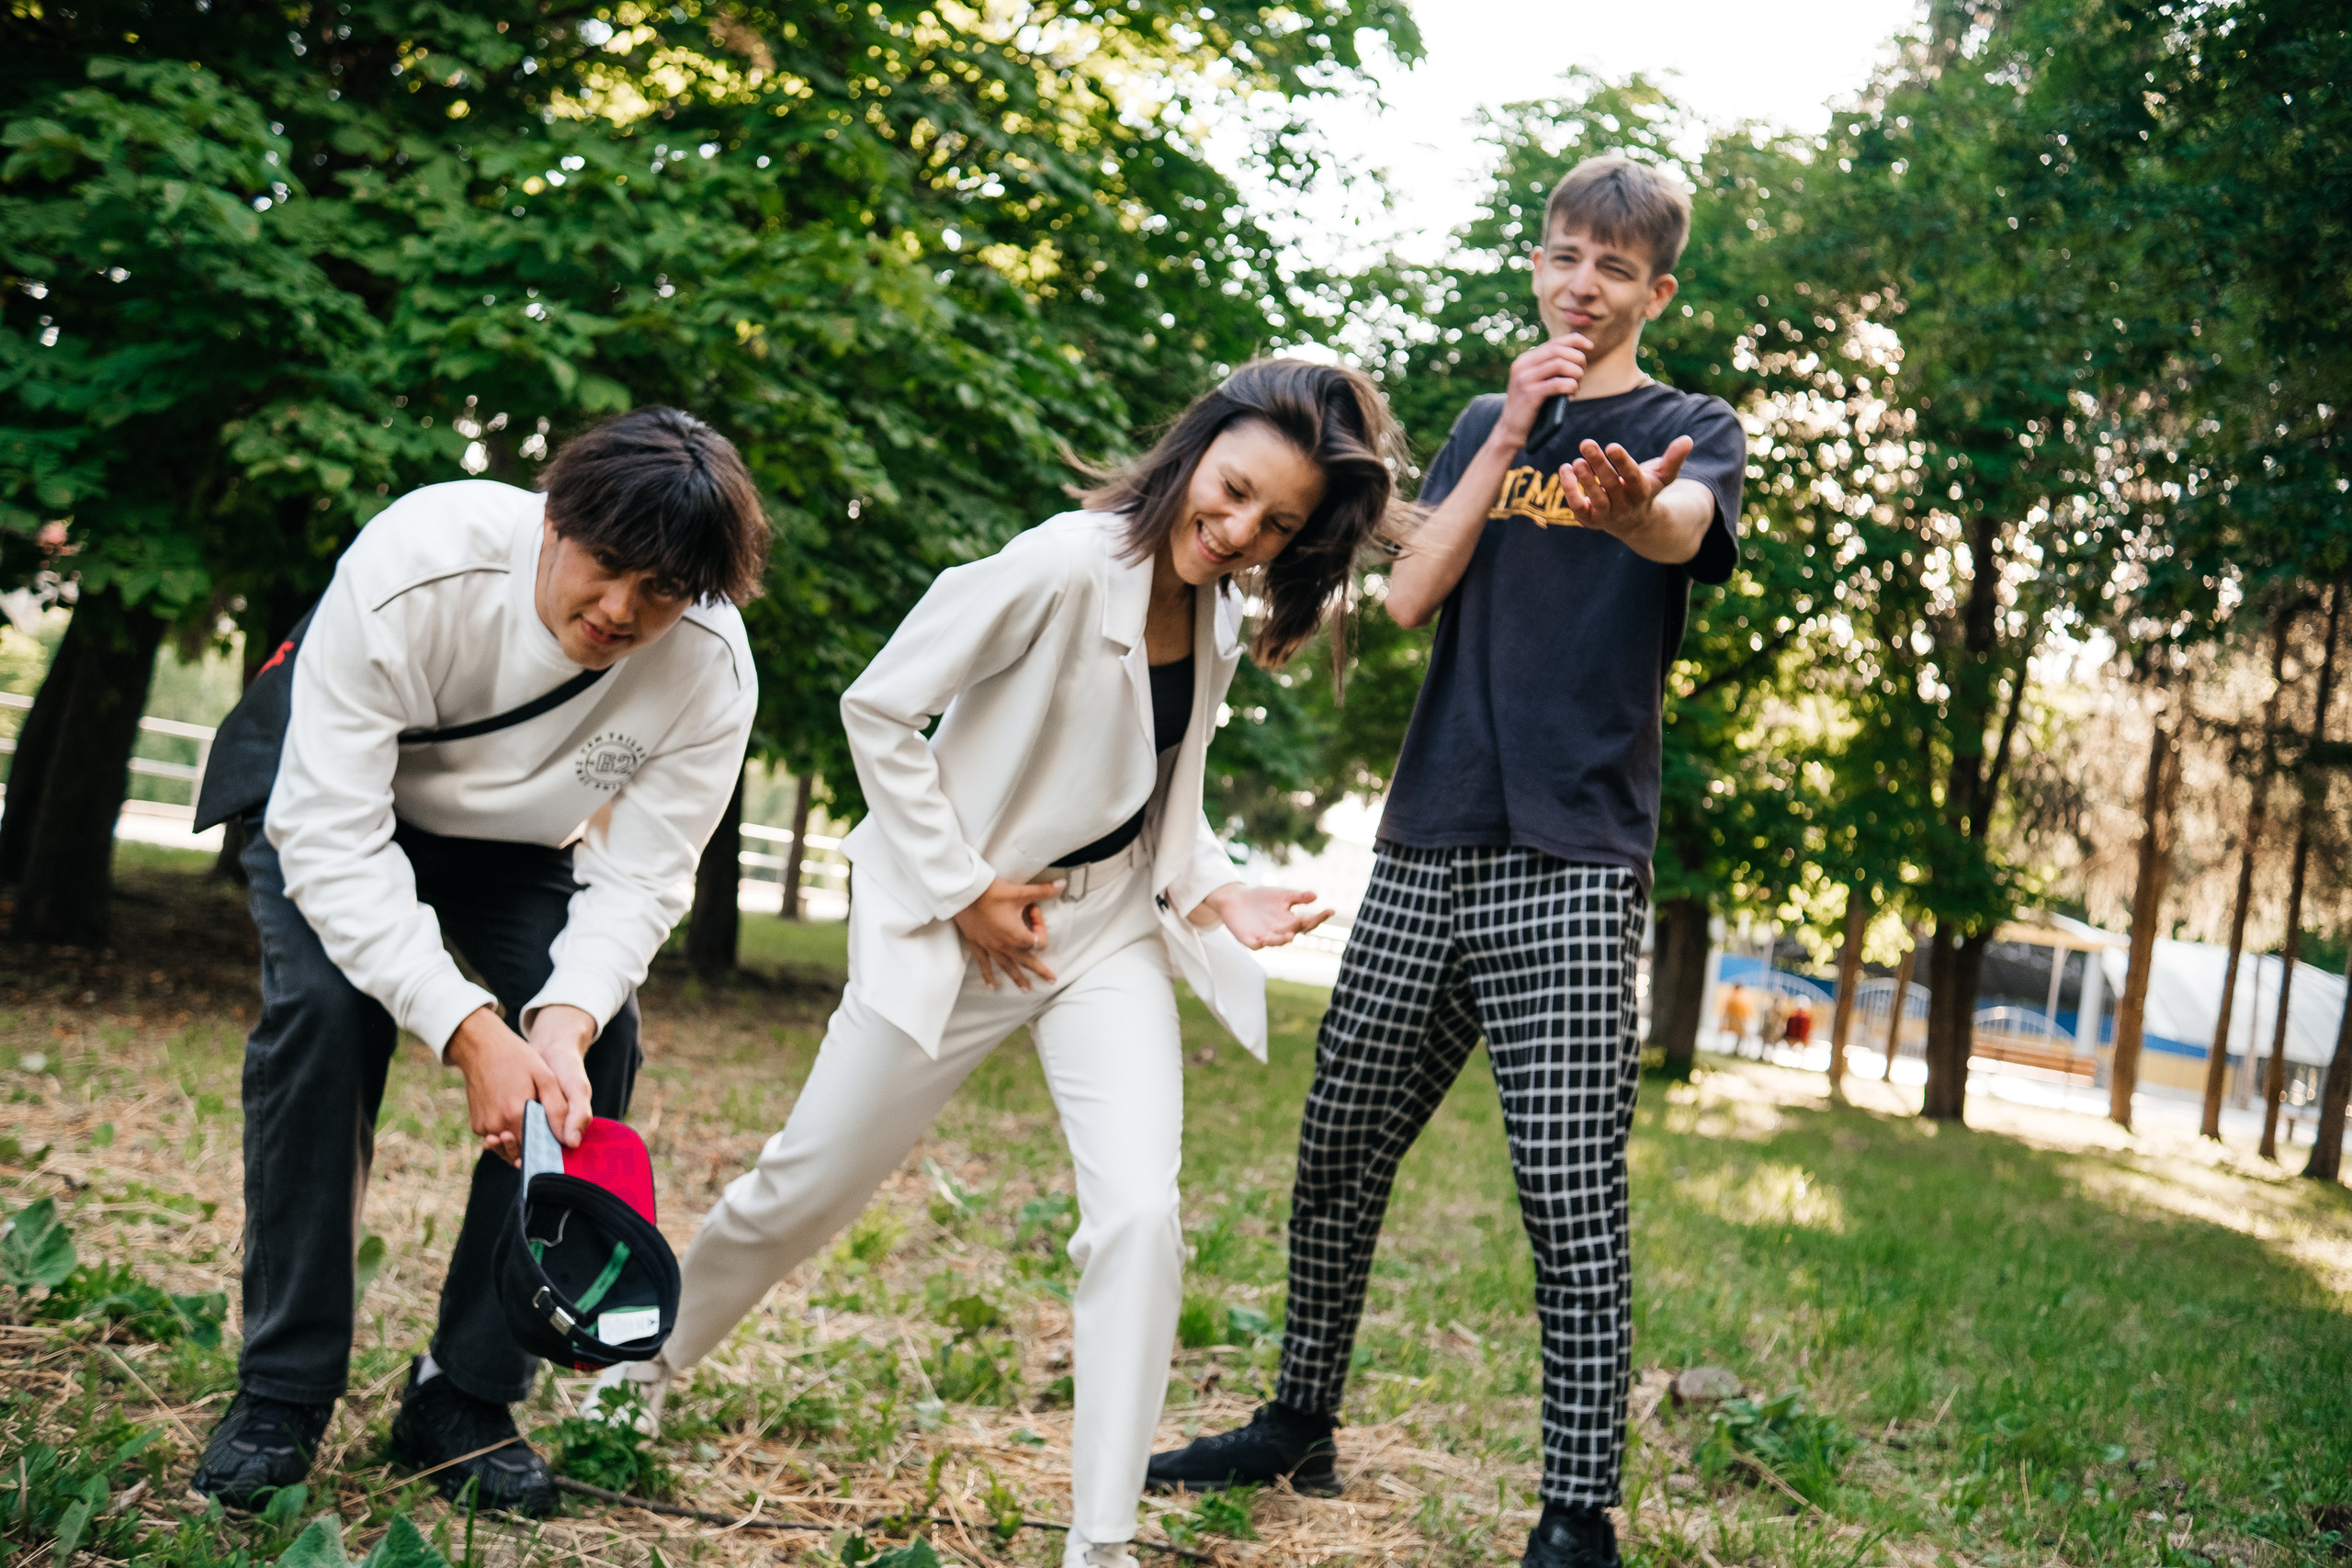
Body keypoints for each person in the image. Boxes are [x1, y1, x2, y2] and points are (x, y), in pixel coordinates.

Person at [581, 360, 1411, 1568]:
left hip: (1107, 928)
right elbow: (881, 706)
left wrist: (1219, 885)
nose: (1237, 533)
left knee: (1138, 1212)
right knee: (806, 1182)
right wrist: (964, 888)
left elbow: (1153, 795)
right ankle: (641, 1359)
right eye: (1230, 494)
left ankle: (1101, 1536)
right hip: (959, 926)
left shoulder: (1222, 608)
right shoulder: (1063, 561)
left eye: (1275, 525)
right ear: (1194, 452)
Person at [1145, 156, 1747, 1568]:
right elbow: (1410, 593)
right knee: (1340, 1139)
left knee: (1567, 1187)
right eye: (1563, 256)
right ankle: (1299, 1416)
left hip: (1577, 862)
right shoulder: (1494, 419)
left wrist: (1627, 512)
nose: (1581, 285)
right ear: (1537, 265)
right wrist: (1516, 428)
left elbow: (1682, 525)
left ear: (1658, 290)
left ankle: (1577, 1509)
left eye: (1613, 267)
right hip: (1429, 840)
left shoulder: (1687, 424)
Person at [188, 409, 767, 1517]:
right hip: (339, 806)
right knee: (324, 1010)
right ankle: (283, 1389)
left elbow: (642, 875)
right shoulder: (420, 560)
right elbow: (330, 837)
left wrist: (558, 1022)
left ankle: (465, 1392)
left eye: (660, 593)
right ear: (555, 523)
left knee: (598, 1048)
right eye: (606, 570)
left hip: (514, 845)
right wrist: (468, 1029)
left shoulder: (708, 666)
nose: (619, 612)